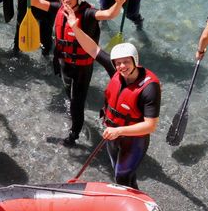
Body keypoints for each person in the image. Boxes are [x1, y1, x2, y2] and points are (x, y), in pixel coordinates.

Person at [64, 13, 161, 188]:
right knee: (122, 175)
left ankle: (134, 207)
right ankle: (135, 198)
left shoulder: (149, 88)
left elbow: (151, 126)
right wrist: (75, 28)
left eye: (126, 62)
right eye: (118, 63)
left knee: (122, 177)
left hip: (134, 141)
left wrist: (119, 131)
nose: (121, 67)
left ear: (135, 61)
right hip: (113, 134)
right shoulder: (116, 71)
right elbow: (93, 49)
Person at [27, 0, 126, 146]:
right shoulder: (59, 9)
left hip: (82, 68)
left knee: (76, 103)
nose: (65, 0)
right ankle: (74, 108)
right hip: (64, 63)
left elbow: (108, 14)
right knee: (68, 92)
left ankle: (74, 134)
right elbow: (35, 1)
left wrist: (118, 4)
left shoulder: (88, 14)